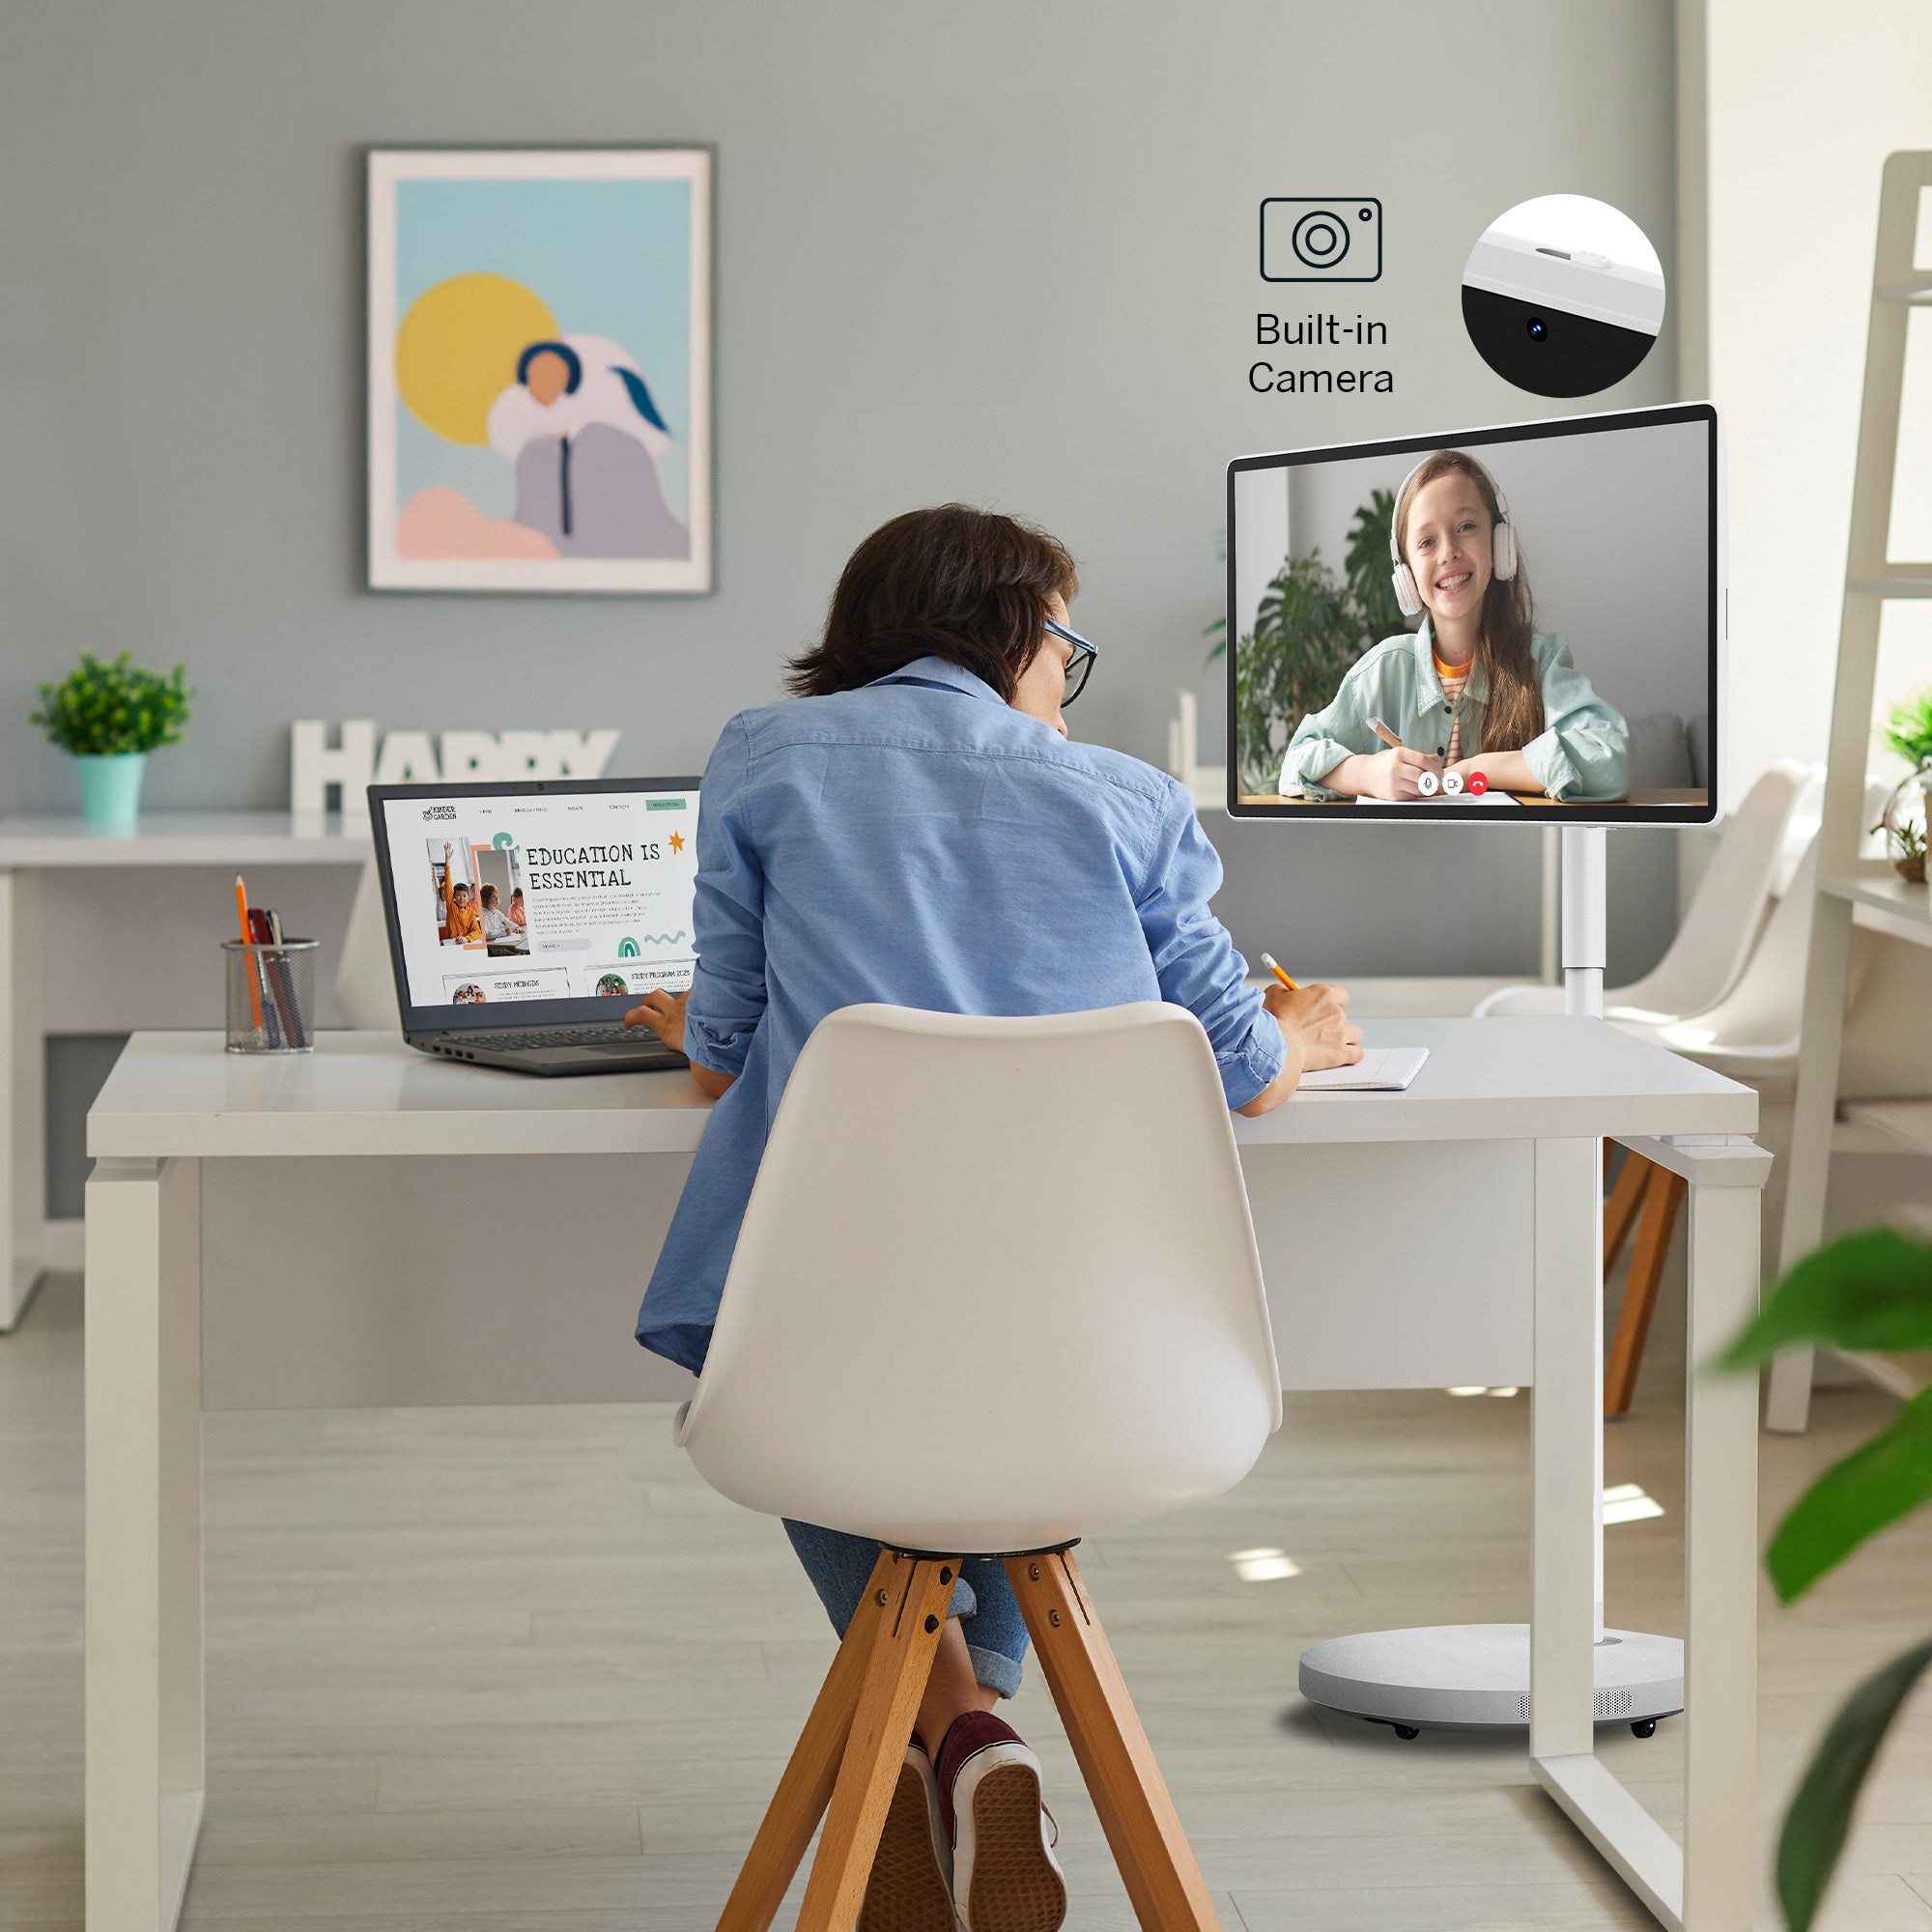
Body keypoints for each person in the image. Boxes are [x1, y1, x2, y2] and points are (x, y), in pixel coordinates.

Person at [622, 504, 1361, 1932]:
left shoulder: (762, 758)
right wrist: (1309, 1036)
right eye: (1064, 647)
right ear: (1015, 626)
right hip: (1093, 1345)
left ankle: (939, 1730)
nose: (1061, 684)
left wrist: (696, 1029)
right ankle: (971, 1730)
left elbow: (722, 1044)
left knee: (783, 1349)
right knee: (1010, 1389)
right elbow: (1248, 1073)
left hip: (831, 1328)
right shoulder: (1130, 800)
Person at [1279, 450, 1630, 802]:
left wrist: (1474, 771)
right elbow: (1295, 762)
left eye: (1466, 527)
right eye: (1427, 542)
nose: (1448, 552)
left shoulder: (1541, 661)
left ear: (1499, 544)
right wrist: (1366, 773)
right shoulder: (1381, 672)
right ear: (1407, 575)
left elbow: (1609, 760)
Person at [440, 845, 482, 942]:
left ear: (468, 898)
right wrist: (447, 860)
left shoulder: (471, 912)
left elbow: (477, 931)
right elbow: (448, 883)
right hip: (451, 942)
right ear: (454, 896)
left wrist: (467, 938)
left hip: (466, 942)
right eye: (459, 895)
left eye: (464, 896)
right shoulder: (451, 906)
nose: (462, 898)